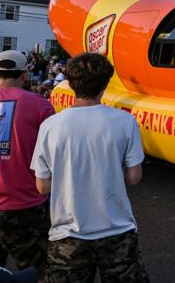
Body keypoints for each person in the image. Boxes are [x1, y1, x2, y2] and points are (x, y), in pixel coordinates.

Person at [31, 53, 148, 281]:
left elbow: (42, 186)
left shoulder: (50, 126)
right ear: (105, 84)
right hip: (117, 232)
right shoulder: (125, 122)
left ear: (71, 83)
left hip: (67, 236)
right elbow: (134, 177)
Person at [0, 51, 54, 274]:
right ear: (26, 74)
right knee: (40, 272)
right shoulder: (41, 105)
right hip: (26, 204)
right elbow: (51, 156)